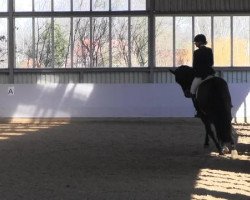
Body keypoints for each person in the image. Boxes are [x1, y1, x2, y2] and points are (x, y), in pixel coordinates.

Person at [191, 34, 215, 117]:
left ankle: (199, 112)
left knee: (192, 92)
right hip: (210, 74)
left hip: (200, 76)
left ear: (200, 42)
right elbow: (211, 63)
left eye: (196, 42)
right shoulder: (209, 50)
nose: (195, 44)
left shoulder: (196, 52)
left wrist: (197, 72)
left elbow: (195, 66)